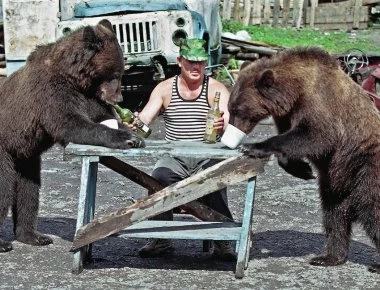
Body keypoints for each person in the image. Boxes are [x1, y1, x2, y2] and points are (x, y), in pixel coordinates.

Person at [129, 38, 236, 261]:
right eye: (190, 62)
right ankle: (160, 238)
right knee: (158, 176)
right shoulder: (165, 88)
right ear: (179, 61)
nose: (196, 67)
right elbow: (145, 121)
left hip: (207, 154)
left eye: (201, 63)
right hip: (175, 156)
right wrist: (134, 125)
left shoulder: (215, 89)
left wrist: (222, 125)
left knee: (215, 177)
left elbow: (227, 119)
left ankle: (223, 239)